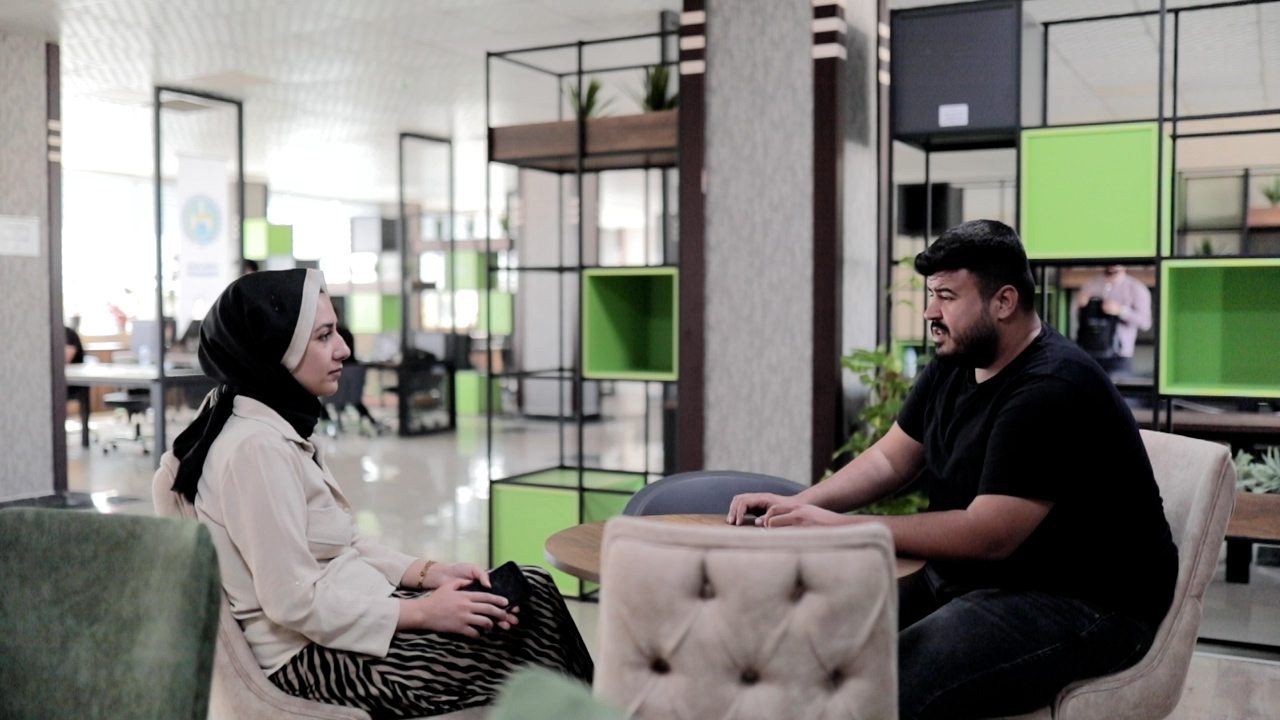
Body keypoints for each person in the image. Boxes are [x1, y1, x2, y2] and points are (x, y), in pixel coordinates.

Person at [727, 220, 1176, 720]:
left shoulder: (1052, 386)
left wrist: (842, 528)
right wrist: (801, 504)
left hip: (1085, 601)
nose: (930, 312)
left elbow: (988, 535)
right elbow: (890, 457)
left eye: (946, 296)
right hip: (980, 578)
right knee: (813, 638)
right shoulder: (957, 359)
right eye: (931, 294)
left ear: (1003, 302)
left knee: (889, 683)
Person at [168, 269, 592, 717]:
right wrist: (426, 613)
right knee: (531, 633)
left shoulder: (278, 424)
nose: (344, 349)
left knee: (535, 589)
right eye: (324, 336)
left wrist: (433, 574)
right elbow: (292, 602)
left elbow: (344, 545)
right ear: (275, 350)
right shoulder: (257, 449)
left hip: (355, 617)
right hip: (318, 661)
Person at [1075, 265, 1151, 375]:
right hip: (1089, 352)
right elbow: (1075, 317)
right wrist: (1082, 307)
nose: (1112, 266)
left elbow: (1145, 322)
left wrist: (1121, 311)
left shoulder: (1136, 288)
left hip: (1119, 356)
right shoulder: (1090, 285)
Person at [332, 323, 389, 434]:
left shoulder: (336, 334)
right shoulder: (344, 333)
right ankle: (372, 422)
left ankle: (330, 422)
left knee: (338, 398)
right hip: (351, 373)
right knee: (353, 399)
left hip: (343, 378)